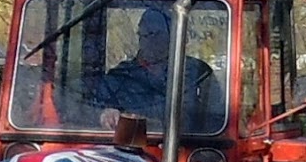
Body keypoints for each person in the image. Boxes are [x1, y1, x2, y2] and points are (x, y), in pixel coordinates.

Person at [91, 7, 224, 132]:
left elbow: (216, 120)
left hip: (186, 148)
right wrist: (104, 113)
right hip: (131, 149)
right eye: (142, 34)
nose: (147, 40)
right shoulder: (118, 78)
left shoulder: (199, 73)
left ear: (173, 35)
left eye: (153, 34)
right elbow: (86, 110)